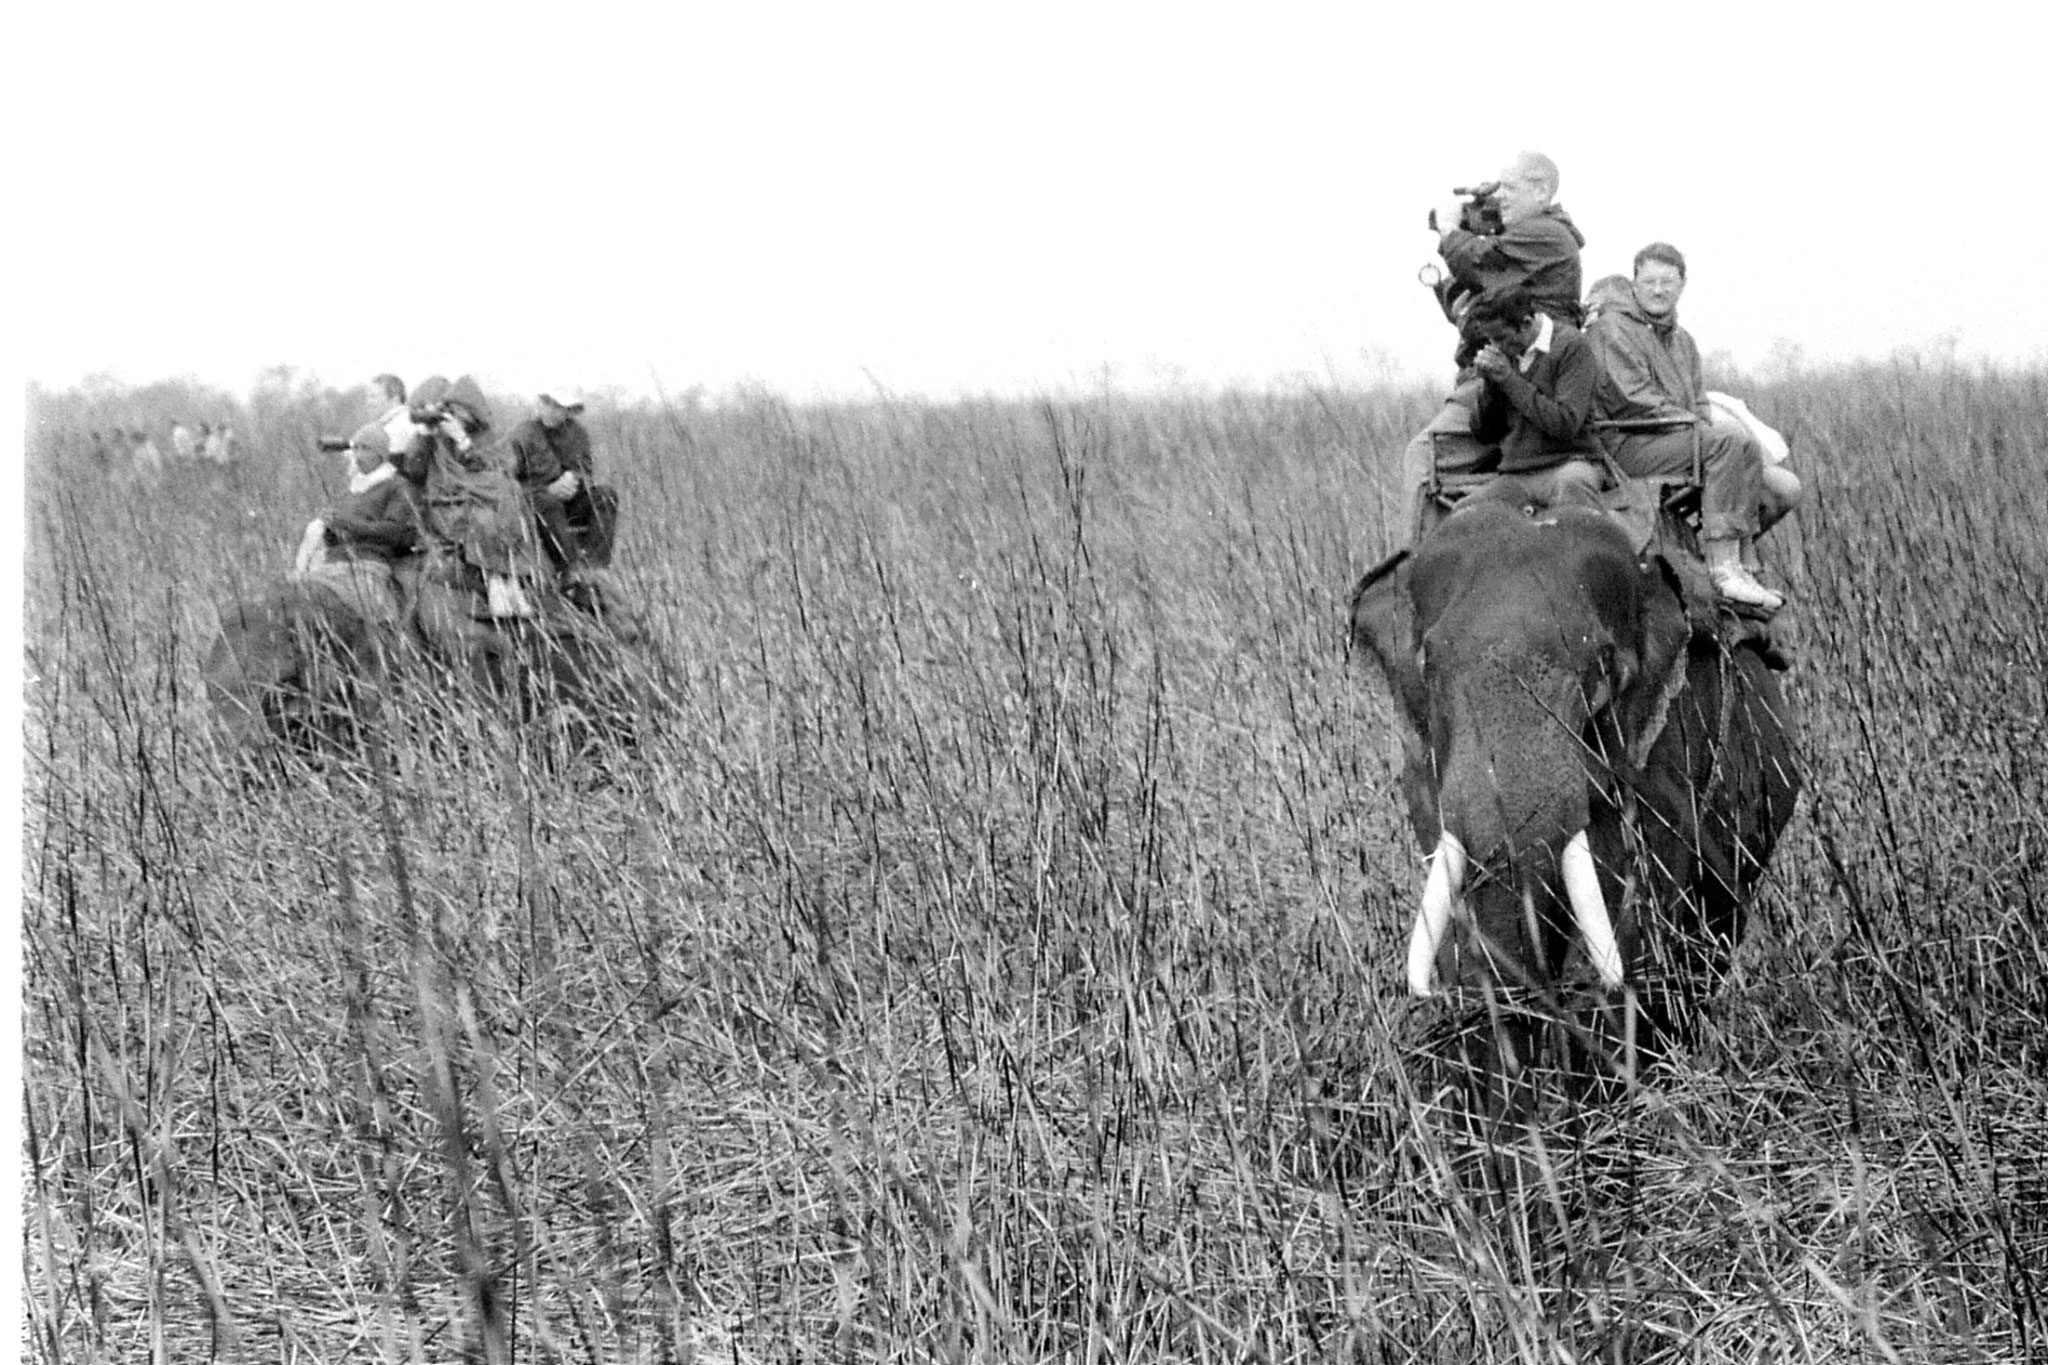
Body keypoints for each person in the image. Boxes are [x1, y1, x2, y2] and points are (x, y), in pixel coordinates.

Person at [1589, 242, 1787, 611]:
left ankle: (1739, 561)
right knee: (1727, 444)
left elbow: (1698, 399)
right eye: (1649, 281)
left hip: (1674, 437)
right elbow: (1630, 399)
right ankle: (1723, 568)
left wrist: (1698, 425)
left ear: (1682, 284)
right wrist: (1693, 427)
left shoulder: (1683, 341)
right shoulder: (1612, 330)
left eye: (1667, 281)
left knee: (1744, 446)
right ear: (1634, 283)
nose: (1658, 290)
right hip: (1629, 442)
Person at [1400, 151, 1586, 534]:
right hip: (1503, 378)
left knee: (1423, 456)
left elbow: (1479, 261)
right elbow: (1473, 303)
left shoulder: (1546, 234)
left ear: (1542, 191)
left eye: (1510, 189)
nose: (1500, 198)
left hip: (1517, 382)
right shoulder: (1527, 243)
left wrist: (1451, 230)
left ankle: (1410, 571)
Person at [1453, 285, 1606, 516]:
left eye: (1501, 338)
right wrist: (1491, 387)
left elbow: (1565, 424)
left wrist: (1509, 380)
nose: (1495, 347)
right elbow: (1485, 434)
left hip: (1570, 464)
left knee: (1575, 506)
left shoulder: (1571, 346)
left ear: (1526, 324)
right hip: (1518, 474)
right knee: (1464, 515)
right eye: (1491, 340)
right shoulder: (1507, 355)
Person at [409, 375, 545, 619]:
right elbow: (414, 470)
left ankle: (510, 582)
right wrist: (425, 436)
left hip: (482, 497)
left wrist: (463, 441)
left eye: (462, 411)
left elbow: (498, 469)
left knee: (507, 495)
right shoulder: (435, 437)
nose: (457, 416)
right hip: (448, 502)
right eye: (452, 410)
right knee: (486, 512)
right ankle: (496, 586)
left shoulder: (489, 436)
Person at [290, 423, 423, 625]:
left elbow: (394, 532)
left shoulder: (396, 487)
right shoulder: (351, 490)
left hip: (369, 566)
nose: (358, 455)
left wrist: (348, 524)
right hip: (331, 565)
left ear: (381, 454)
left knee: (376, 623)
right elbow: (338, 530)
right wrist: (328, 529)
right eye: (356, 448)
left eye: (366, 449)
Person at [506, 387, 597, 577]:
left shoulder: (577, 433)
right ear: (540, 404)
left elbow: (585, 469)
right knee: (549, 503)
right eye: (549, 405)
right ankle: (570, 570)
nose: (553, 412)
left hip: (569, 498)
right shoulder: (521, 435)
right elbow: (509, 480)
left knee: (605, 497)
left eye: (559, 407)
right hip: (535, 500)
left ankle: (595, 566)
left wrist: (573, 479)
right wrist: (547, 489)